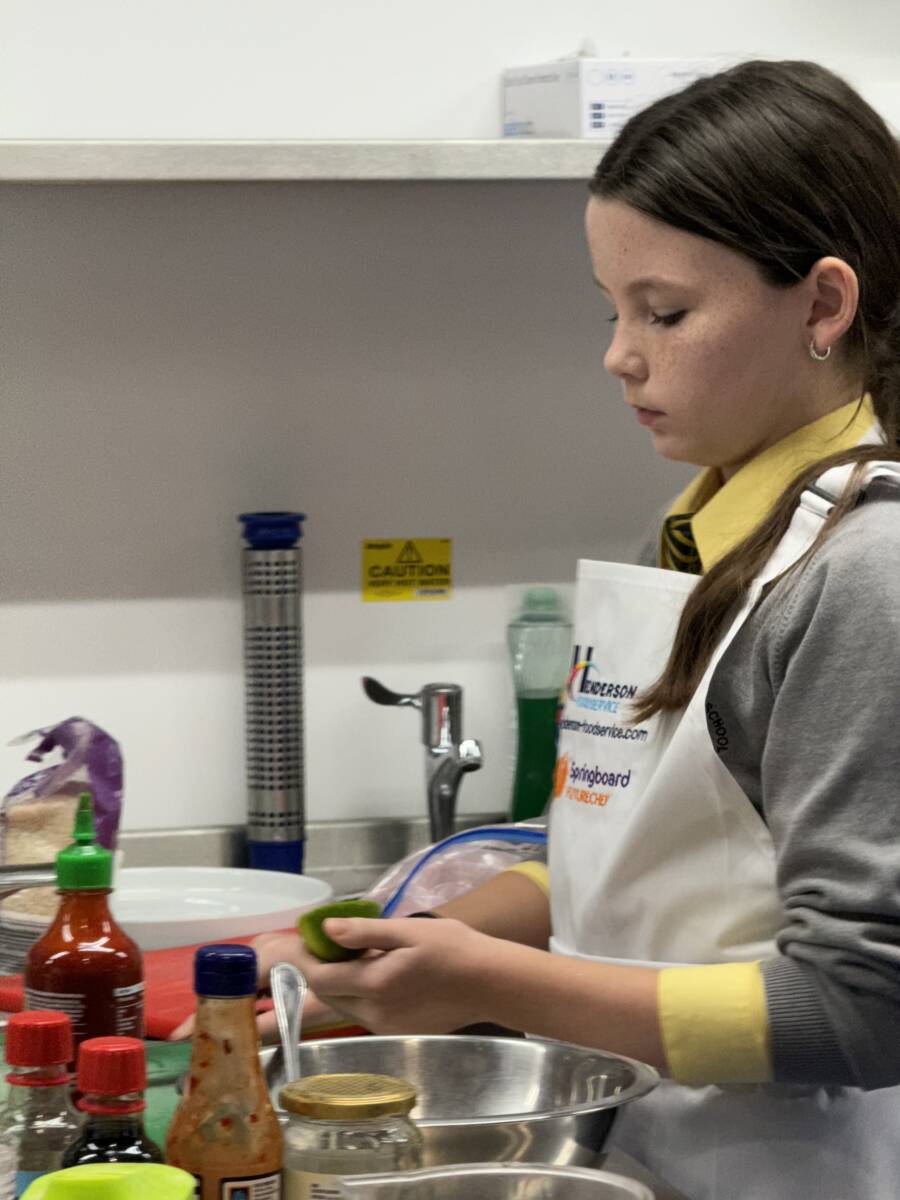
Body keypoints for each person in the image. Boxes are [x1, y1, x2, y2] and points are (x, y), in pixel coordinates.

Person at [252, 60, 900, 1199]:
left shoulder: (863, 576)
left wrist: (489, 981)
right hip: (642, 1145)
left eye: (666, 312)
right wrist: (387, 943)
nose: (619, 355)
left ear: (823, 304)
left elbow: (863, 1009)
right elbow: (620, 862)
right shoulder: (700, 531)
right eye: (614, 310)